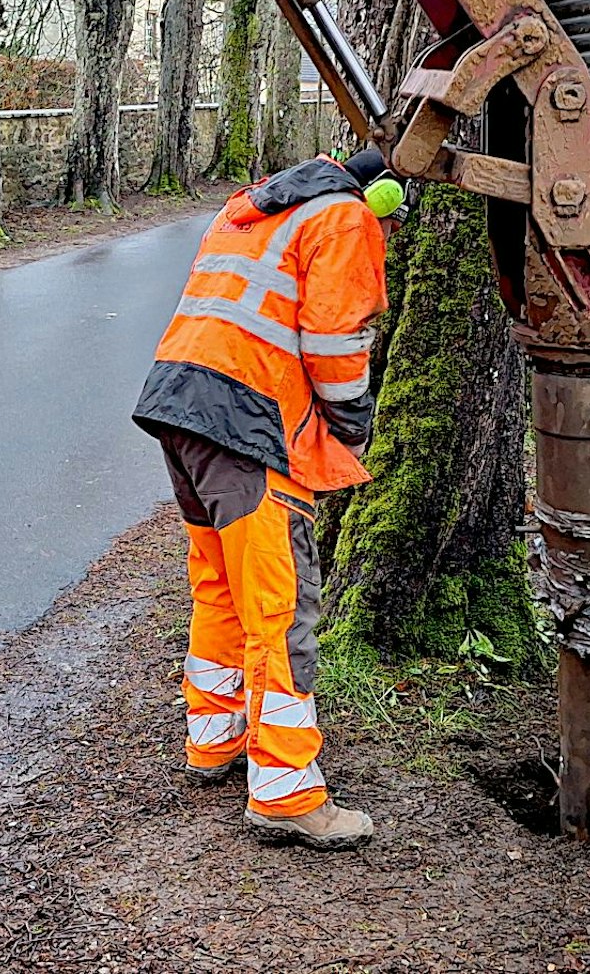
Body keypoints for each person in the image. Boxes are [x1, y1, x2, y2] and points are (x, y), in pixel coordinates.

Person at [131, 147, 397, 851]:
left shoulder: (253, 205)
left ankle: (214, 738)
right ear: (378, 198)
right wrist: (354, 426)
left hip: (178, 403)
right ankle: (285, 789)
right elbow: (337, 346)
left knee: (219, 584)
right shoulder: (343, 219)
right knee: (280, 607)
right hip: (252, 422)